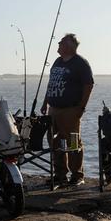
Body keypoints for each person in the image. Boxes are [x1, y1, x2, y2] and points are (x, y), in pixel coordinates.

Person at [40, 33, 94, 186]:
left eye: (61, 42)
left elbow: (88, 85)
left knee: (72, 142)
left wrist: (81, 107)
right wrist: (45, 103)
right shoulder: (57, 61)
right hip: (53, 109)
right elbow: (51, 84)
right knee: (55, 142)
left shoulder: (80, 63)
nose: (58, 44)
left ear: (69, 46)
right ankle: (60, 174)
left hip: (70, 109)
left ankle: (77, 175)